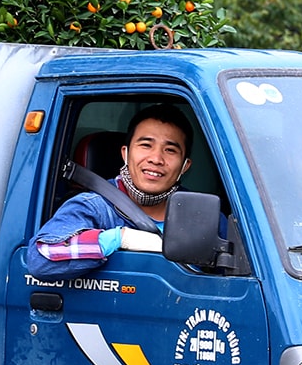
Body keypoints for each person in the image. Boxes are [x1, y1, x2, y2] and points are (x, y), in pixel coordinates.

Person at [26, 105, 193, 280]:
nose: (156, 159)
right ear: (125, 154)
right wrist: (119, 238)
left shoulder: (198, 213)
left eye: (170, 150)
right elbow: (40, 258)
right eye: (146, 145)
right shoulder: (93, 207)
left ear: (185, 166)